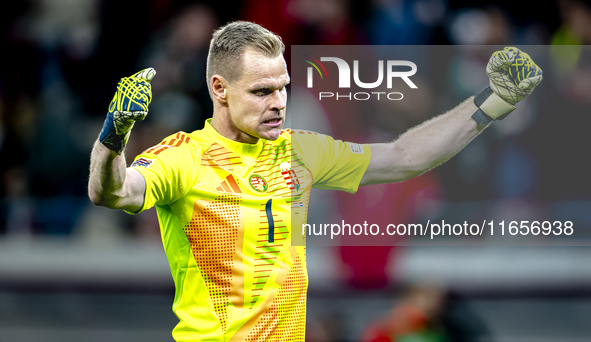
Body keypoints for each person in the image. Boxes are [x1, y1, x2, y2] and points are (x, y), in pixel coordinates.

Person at [88, 21, 542, 341]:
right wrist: (114, 135)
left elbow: (405, 157)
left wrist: (492, 102)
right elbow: (111, 192)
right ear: (219, 89)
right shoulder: (183, 158)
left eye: (282, 87)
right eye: (262, 91)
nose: (278, 103)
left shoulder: (301, 149)